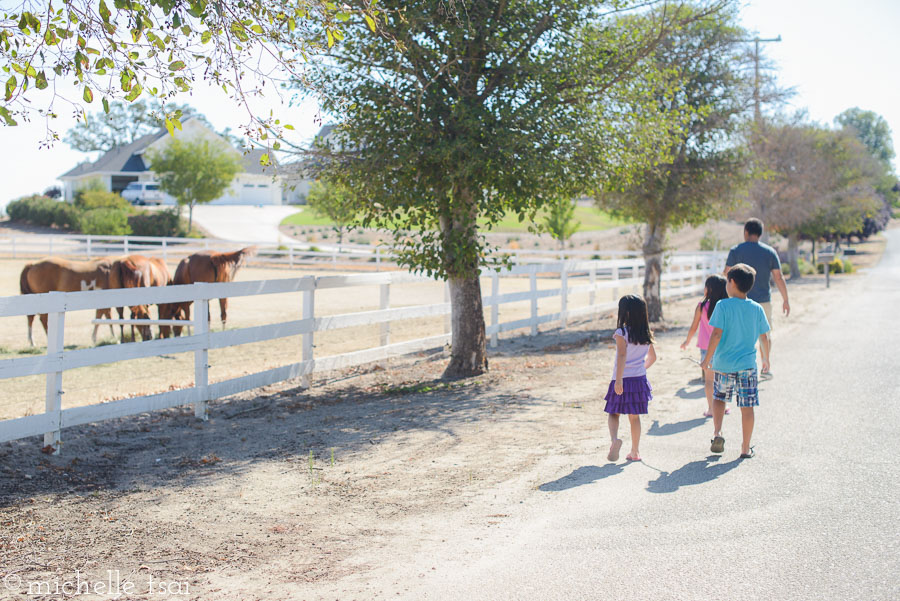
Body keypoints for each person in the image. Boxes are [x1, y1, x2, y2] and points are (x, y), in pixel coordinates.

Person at [700, 264, 770, 458]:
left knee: (720, 399)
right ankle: (745, 447)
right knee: (747, 406)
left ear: (731, 282)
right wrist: (766, 359)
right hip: (747, 365)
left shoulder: (723, 306)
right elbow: (765, 337)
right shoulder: (756, 308)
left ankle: (717, 433)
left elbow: (715, 335)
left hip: (723, 365)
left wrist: (707, 360)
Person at [724, 218, 789, 376]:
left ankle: (739, 368)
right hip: (763, 300)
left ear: (746, 232)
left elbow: (726, 274)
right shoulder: (769, 252)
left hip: (738, 300)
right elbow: (778, 277)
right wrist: (786, 299)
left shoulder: (736, 251)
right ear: (760, 233)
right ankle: (765, 365)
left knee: (740, 334)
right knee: (764, 335)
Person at [605, 295, 657, 463]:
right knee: (634, 417)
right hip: (639, 380)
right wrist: (641, 369)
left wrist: (619, 380)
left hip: (622, 379)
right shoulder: (646, 333)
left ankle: (614, 440)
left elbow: (621, 354)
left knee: (614, 412)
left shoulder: (622, 333)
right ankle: (635, 451)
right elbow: (653, 358)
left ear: (625, 313)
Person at [681, 274, 729, 418]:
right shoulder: (726, 306)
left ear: (709, 289)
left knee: (709, 380)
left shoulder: (702, 306)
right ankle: (723, 406)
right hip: (724, 347)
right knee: (722, 379)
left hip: (706, 348)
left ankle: (711, 408)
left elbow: (694, 326)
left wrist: (687, 341)